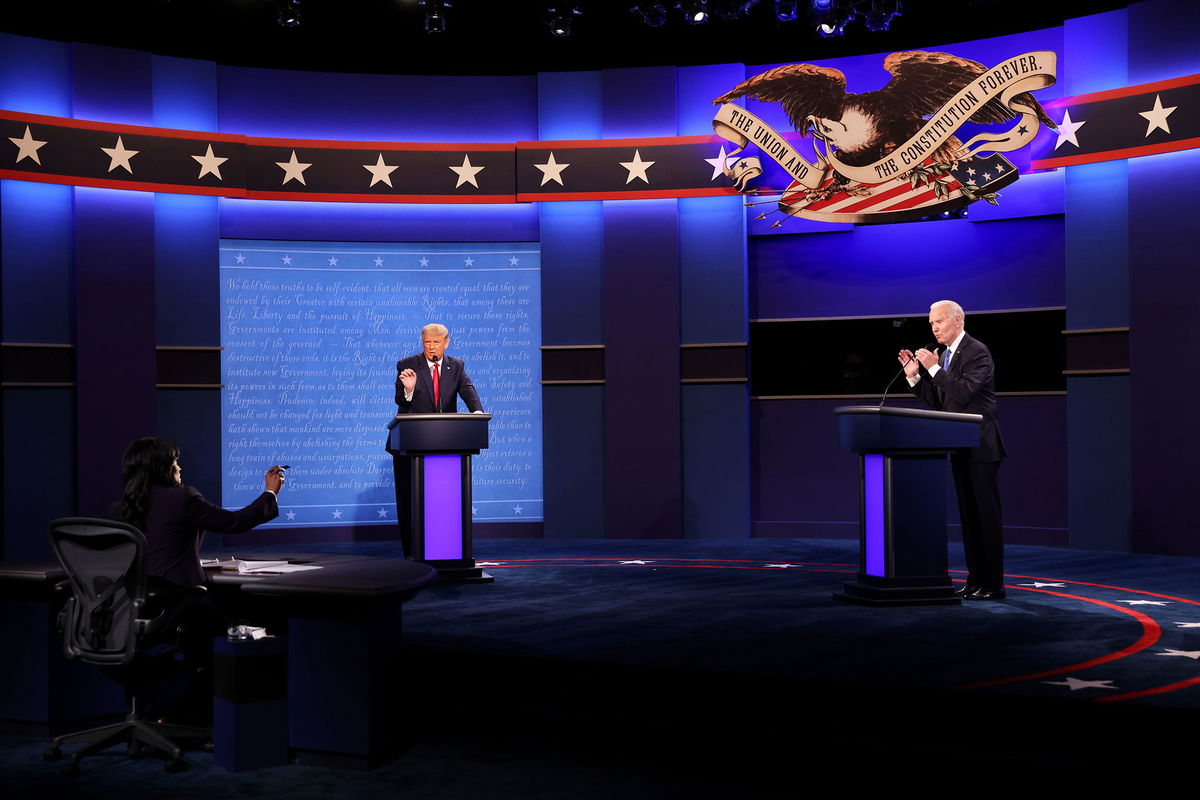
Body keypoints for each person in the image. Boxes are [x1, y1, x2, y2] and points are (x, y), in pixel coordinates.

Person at [897, 300, 1007, 601]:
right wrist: (915, 376)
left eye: (939, 322)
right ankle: (976, 581)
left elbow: (965, 391)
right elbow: (941, 403)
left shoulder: (977, 351)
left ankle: (994, 585)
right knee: (970, 519)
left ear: (957, 320)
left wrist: (934, 369)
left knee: (986, 517)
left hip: (981, 446)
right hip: (959, 445)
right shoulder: (944, 356)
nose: (934, 328)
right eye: (931, 322)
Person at [114, 437, 285, 587]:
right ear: (162, 468)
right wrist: (270, 492)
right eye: (175, 463)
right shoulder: (183, 498)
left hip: (136, 604)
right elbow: (235, 522)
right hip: (180, 598)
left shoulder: (123, 507)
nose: (180, 468)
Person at [395, 323, 484, 414]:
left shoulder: (456, 366)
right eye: (427, 342)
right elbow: (399, 401)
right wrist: (409, 390)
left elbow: (467, 391)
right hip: (415, 425)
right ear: (422, 342)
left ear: (446, 343)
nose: (431, 347)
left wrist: (477, 412)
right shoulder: (407, 365)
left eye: (436, 342)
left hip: (446, 426)